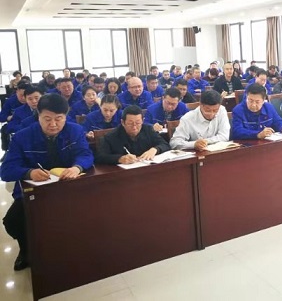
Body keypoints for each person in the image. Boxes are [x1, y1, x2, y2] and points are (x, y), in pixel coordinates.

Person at [1, 93, 94, 271]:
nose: (53, 124)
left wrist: (77, 167)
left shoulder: (75, 130)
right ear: (38, 115)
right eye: (47, 119)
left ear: (66, 116)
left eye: (59, 119)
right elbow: (6, 170)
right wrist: (29, 172)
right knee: (13, 221)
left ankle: (74, 245)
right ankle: (26, 250)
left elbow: (86, 154)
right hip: (35, 192)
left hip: (67, 186)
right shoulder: (22, 136)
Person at [95, 105, 171, 165]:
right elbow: (100, 157)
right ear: (123, 122)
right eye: (130, 123)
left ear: (142, 121)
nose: (134, 127)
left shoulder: (148, 130)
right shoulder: (111, 136)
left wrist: (155, 149)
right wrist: (119, 158)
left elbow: (165, 144)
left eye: (138, 123)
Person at [0, 83, 29, 150]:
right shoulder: (10, 101)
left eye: (25, 95)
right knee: (4, 129)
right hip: (15, 124)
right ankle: (7, 150)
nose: (23, 98)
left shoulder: (34, 102)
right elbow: (1, 116)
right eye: (21, 95)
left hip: (29, 124)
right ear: (17, 92)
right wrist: (8, 117)